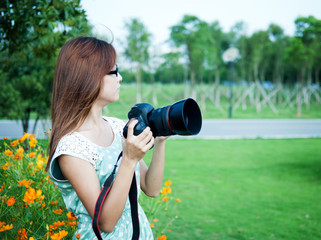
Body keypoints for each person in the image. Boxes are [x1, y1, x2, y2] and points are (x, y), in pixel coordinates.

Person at [46, 36, 167, 239]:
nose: (119, 78)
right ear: (89, 77)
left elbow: (151, 187)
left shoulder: (118, 126)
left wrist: (161, 139)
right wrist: (128, 160)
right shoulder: (72, 147)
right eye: (114, 72)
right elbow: (106, 222)